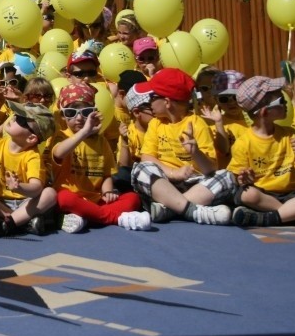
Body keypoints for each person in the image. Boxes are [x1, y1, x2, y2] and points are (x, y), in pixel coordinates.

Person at [130, 68, 235, 225]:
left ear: (167, 102)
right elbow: (147, 157)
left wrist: (196, 152)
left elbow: (210, 170)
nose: (149, 102)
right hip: (164, 184)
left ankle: (169, 210)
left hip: (195, 185)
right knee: (140, 169)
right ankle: (194, 212)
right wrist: (173, 173)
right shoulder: (155, 123)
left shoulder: (196, 123)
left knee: (227, 177)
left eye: (152, 97)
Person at [52, 83, 151, 232]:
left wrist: (107, 192)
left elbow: (106, 175)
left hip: (96, 200)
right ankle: (117, 218)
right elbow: (59, 153)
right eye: (71, 113)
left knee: (133, 198)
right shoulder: (61, 137)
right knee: (63, 198)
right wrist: (84, 132)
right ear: (63, 115)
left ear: (94, 113)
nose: (79, 118)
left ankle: (87, 217)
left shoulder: (101, 141)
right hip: (73, 199)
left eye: (86, 112)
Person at [228, 76, 295, 227]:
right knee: (247, 194)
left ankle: (268, 219)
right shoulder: (243, 142)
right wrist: (243, 179)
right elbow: (237, 178)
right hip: (264, 196)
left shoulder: (290, 133)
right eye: (282, 101)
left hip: (293, 193)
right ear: (264, 112)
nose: (287, 103)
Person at [0, 101, 57, 237]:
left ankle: (6, 224)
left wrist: (19, 187)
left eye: (20, 119)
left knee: (50, 194)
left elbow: (36, 188)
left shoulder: (32, 156)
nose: (13, 118)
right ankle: (23, 222)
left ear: (31, 138)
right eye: (15, 114)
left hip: (25, 203)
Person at [199, 70, 248, 167]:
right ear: (216, 100)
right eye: (224, 99)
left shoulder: (253, 119)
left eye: (235, 97)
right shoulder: (218, 124)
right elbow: (223, 150)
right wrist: (218, 123)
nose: (231, 102)